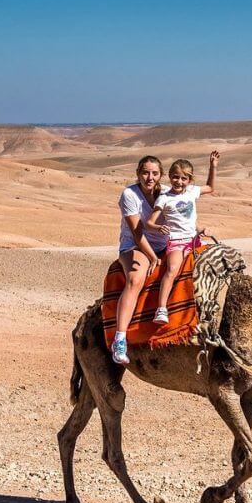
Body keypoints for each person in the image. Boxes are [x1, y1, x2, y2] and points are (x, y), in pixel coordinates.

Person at [145, 151, 219, 324]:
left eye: (184, 178)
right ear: (170, 177)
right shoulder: (164, 198)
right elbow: (149, 223)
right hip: (177, 243)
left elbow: (210, 187)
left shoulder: (192, 191)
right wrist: (158, 227)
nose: (179, 181)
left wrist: (213, 167)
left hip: (195, 240)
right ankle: (161, 309)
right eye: (176, 177)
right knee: (171, 270)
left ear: (189, 180)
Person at [111, 155, 170, 365]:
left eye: (155, 173)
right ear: (138, 173)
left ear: (161, 175)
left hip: (164, 244)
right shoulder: (130, 194)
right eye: (145, 172)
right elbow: (137, 232)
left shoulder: (166, 194)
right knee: (136, 278)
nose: (150, 177)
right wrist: (153, 256)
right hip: (136, 246)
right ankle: (120, 338)